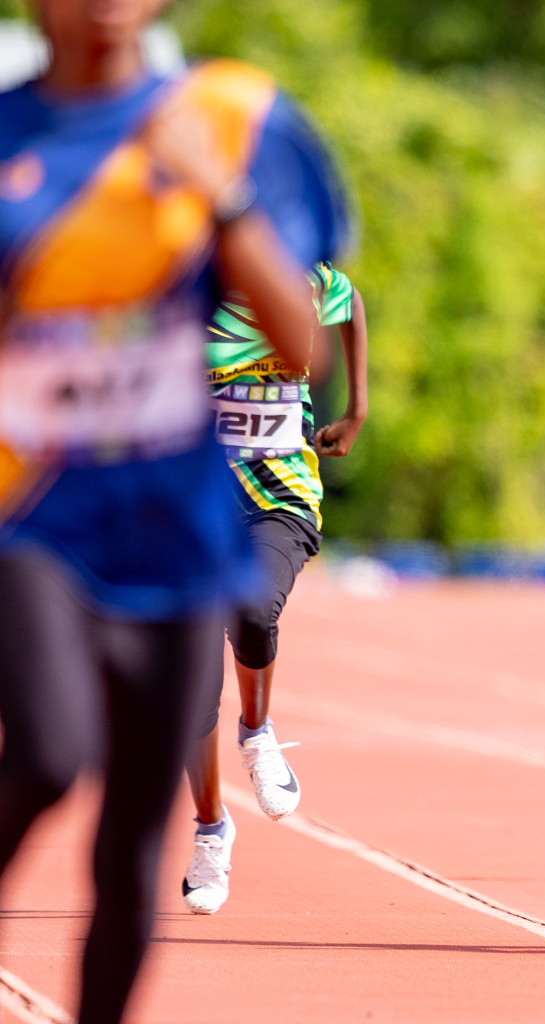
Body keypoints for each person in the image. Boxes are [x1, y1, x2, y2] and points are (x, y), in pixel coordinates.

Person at [0, 0, 347, 1017]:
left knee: (134, 842)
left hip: (178, 531)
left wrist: (225, 197)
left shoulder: (242, 121)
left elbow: (302, 343)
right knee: (54, 752)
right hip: (33, 518)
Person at [181, 261, 367, 914]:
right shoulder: (175, 281)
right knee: (191, 682)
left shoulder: (298, 274)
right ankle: (211, 831)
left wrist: (356, 409)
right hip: (192, 506)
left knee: (255, 609)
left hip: (281, 494)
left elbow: (348, 301)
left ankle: (256, 731)